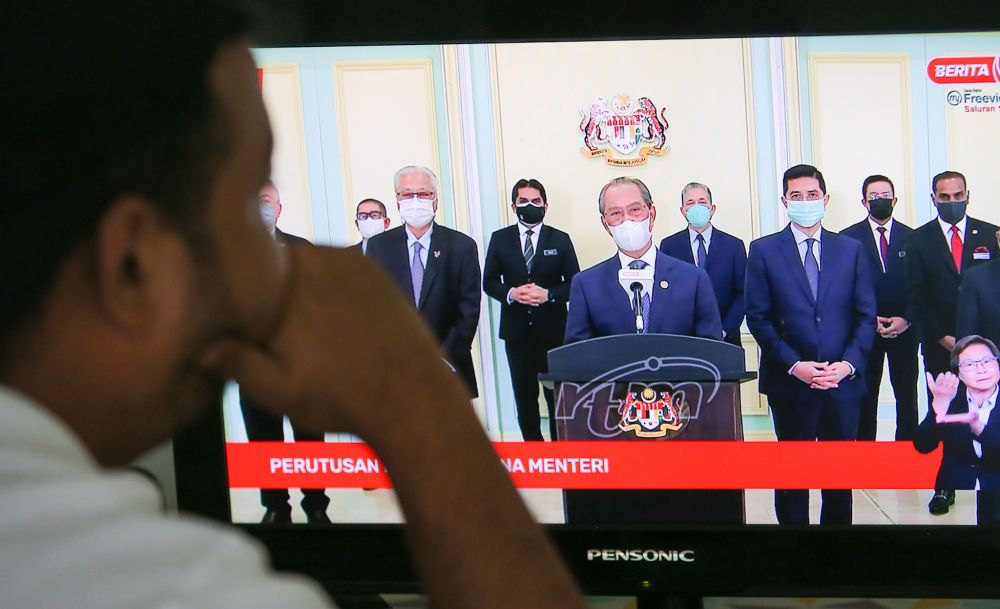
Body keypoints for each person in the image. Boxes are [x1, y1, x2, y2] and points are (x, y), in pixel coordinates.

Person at [0, 3, 586, 608]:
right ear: (133, 265)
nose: (278, 261)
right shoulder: (174, 588)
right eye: (246, 209)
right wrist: (418, 404)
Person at [745, 164, 876, 525]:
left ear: (825, 198)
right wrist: (795, 365)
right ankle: (794, 551)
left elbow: (866, 316)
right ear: (784, 201)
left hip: (842, 382)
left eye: (812, 195)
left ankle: (834, 553)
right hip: (790, 383)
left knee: (838, 478)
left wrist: (848, 364)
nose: (805, 202)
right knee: (792, 475)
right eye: (797, 196)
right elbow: (758, 317)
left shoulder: (850, 250)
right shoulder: (764, 251)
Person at [904, 170, 1000, 515]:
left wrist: (978, 350)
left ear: (968, 195)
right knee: (948, 415)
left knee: (992, 416)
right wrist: (947, 341)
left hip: (990, 354)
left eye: (957, 195)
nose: (952, 201)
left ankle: (991, 480)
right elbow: (915, 298)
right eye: (944, 197)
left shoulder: (990, 233)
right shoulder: (918, 241)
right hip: (940, 346)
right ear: (933, 199)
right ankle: (947, 485)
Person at [242, 180, 329, 524]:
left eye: (265, 201)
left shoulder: (301, 249)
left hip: (301, 367)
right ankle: (276, 507)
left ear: (278, 209)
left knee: (310, 439)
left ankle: (317, 505)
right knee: (264, 441)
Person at [366, 166, 482, 397]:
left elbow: (468, 310)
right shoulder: (379, 246)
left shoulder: (461, 246)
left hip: (449, 368)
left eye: (424, 194)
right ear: (397, 200)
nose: (416, 200)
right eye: (408, 194)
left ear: (436, 199)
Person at [564, 177, 722, 343]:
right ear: (605, 224)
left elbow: (712, 349)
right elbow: (577, 357)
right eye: (615, 213)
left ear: (651, 214)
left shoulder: (693, 279)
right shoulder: (586, 285)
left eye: (635, 210)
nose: (627, 219)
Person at [483, 179, 580, 441]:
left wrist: (549, 295)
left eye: (535, 201)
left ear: (545, 205)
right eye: (523, 201)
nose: (530, 206)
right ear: (513, 205)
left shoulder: (560, 239)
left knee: (557, 400)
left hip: (554, 334)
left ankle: (560, 456)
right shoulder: (500, 239)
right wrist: (511, 294)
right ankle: (534, 455)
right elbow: (489, 282)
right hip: (517, 335)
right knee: (525, 398)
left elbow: (575, 283)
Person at [840, 175, 918, 441]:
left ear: (895, 200)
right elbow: (842, 287)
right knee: (865, 394)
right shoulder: (847, 239)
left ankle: (907, 452)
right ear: (864, 202)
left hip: (905, 330)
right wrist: (868, 320)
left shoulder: (913, 237)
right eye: (874, 197)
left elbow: (920, 284)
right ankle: (865, 453)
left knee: (907, 393)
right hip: (865, 330)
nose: (880, 201)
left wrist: (906, 318)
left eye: (885, 196)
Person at [915, 335, 1000, 524]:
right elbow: (922, 445)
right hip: (959, 480)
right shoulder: (952, 399)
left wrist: (978, 427)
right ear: (959, 373)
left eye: (987, 361)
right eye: (970, 364)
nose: (981, 369)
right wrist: (938, 409)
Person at [658, 182, 747, 347]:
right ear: (683, 211)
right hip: (683, 342)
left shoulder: (734, 246)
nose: (696, 207)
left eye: (702, 202)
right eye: (690, 203)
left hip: (726, 341)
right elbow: (665, 295)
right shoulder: (669, 246)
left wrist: (724, 330)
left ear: (712, 209)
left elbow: (743, 294)